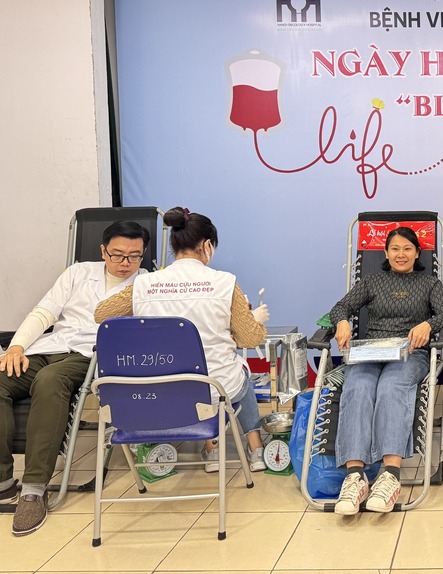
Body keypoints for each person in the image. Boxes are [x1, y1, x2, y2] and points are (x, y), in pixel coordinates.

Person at [0, 220, 150, 536]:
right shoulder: (77, 273)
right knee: (1, 378)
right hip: (49, 346)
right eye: (118, 254)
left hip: (91, 356)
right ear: (103, 251)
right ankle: (3, 480)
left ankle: (34, 488)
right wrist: (16, 346)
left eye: (134, 256)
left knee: (50, 380)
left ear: (143, 254)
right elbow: (44, 312)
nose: (125, 263)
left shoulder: (147, 284)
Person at [95, 207, 270, 474]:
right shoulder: (224, 283)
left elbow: (101, 315)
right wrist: (253, 320)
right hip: (213, 390)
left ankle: (213, 447)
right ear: (207, 245)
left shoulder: (145, 284)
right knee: (240, 372)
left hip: (153, 393)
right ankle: (254, 448)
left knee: (221, 374)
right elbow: (249, 339)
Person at [328, 226, 443, 515]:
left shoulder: (430, 284)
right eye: (395, 249)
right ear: (386, 253)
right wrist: (342, 322)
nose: (401, 254)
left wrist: (428, 325)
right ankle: (355, 477)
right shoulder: (372, 281)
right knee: (358, 386)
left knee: (391, 387)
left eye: (407, 249)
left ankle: (390, 476)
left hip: (410, 353)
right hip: (371, 351)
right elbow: (341, 307)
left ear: (417, 253)